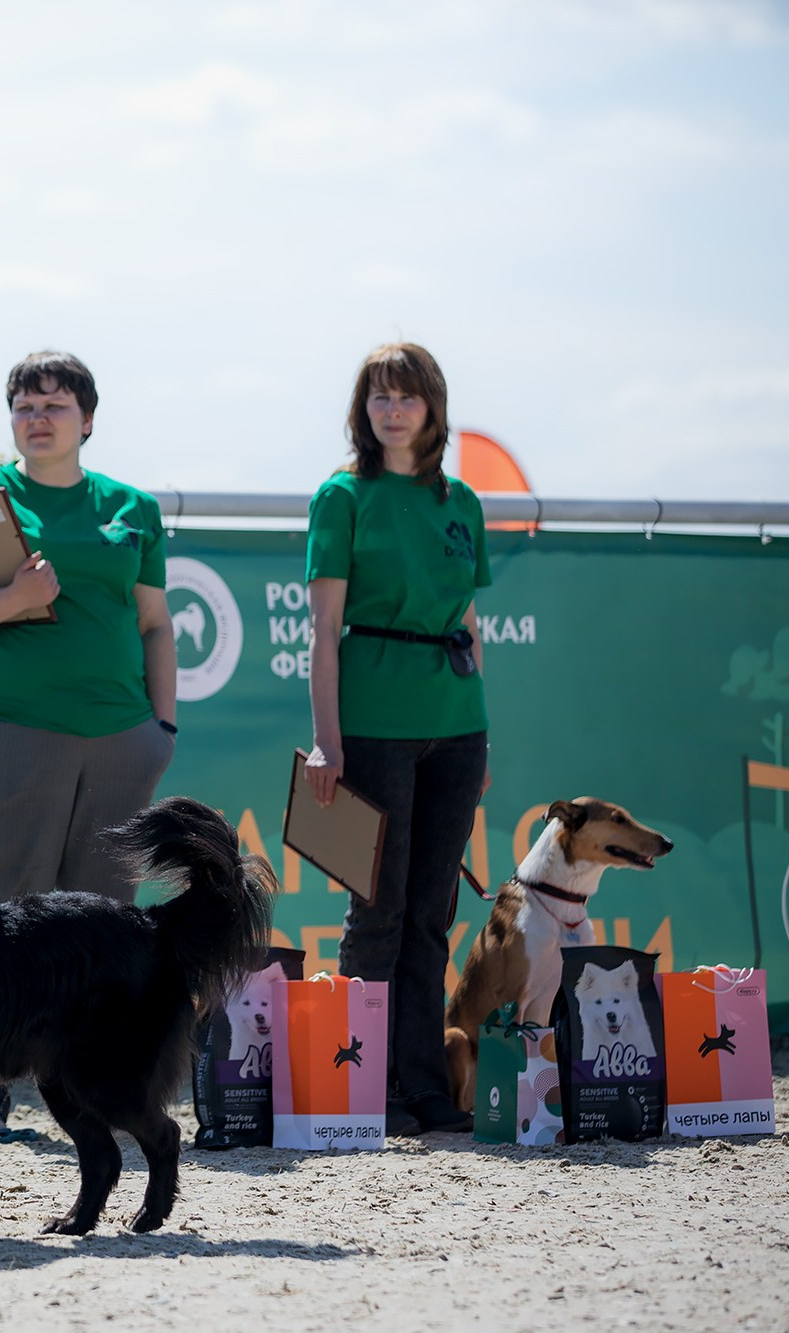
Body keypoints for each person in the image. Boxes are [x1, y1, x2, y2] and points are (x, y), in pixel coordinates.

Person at [0, 350, 177, 1133]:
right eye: (25, 404)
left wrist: (160, 729)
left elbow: (155, 623)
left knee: (99, 921)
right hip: (10, 731)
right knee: (5, 918)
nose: (38, 416)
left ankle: (97, 1086)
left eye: (55, 404)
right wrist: (15, 596)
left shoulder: (133, 508)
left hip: (122, 739)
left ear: (86, 419)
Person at [303, 341, 490, 1139]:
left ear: (432, 407)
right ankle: (365, 1085)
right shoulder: (342, 496)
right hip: (372, 725)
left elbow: (472, 629)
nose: (392, 410)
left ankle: (421, 1086)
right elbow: (322, 630)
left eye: (407, 396)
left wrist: (488, 740)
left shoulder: (462, 500)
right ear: (362, 410)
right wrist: (326, 742)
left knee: (431, 914)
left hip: (457, 725)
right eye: (378, 396)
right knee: (376, 912)